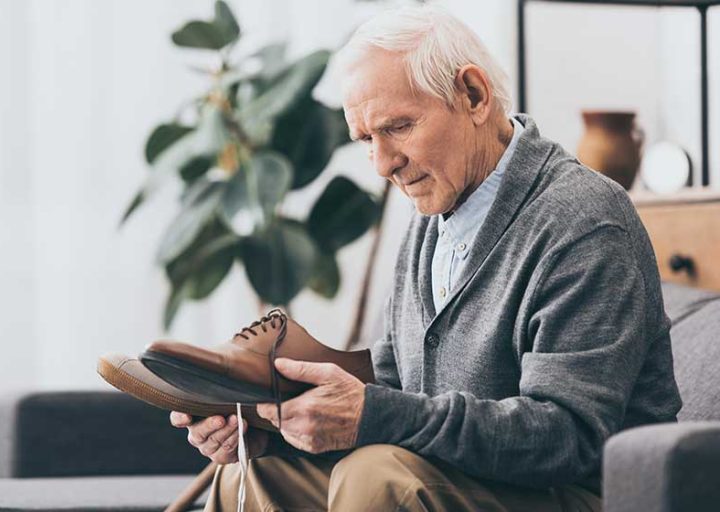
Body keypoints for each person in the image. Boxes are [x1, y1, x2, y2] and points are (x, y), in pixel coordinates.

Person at [170, 5, 681, 511]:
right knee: (263, 470)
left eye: (397, 127)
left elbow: (569, 438)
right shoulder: (434, 215)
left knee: (376, 477)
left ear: (474, 95)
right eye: (366, 139)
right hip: (461, 479)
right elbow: (396, 388)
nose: (384, 164)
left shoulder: (582, 220)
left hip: (580, 494)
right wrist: (276, 431)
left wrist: (374, 415)